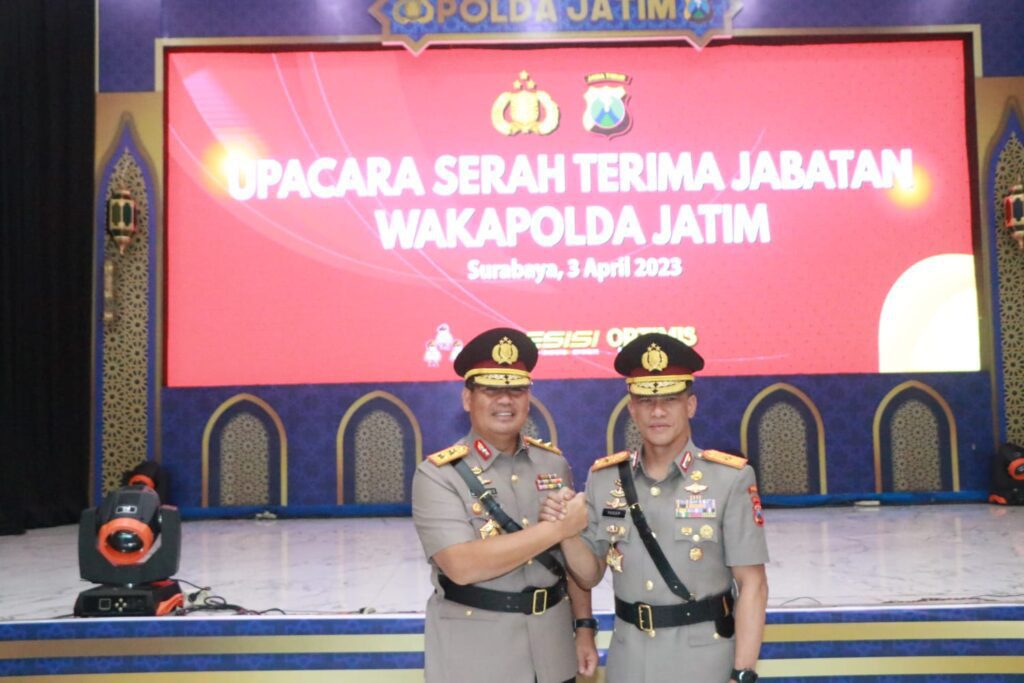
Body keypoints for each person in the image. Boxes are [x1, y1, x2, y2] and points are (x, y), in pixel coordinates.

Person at [542, 332, 769, 683]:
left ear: (690, 405)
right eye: (646, 400)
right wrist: (565, 531)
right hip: (629, 659)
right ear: (631, 408)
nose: (658, 411)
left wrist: (742, 673)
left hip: (705, 660)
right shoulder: (605, 478)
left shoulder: (730, 478)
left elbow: (752, 584)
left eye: (670, 399)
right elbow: (588, 575)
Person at [412, 327, 599, 682]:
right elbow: (461, 565)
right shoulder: (438, 475)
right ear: (467, 398)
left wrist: (584, 626)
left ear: (528, 398)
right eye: (491, 390)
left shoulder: (553, 464)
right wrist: (557, 529)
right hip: (477, 657)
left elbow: (571, 562)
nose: (505, 401)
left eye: (516, 390)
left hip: (553, 649)